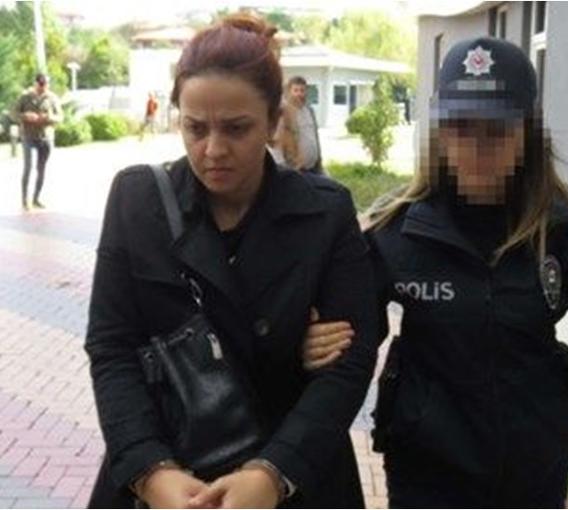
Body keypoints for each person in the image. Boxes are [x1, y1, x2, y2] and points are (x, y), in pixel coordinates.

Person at [302, 37, 568, 508]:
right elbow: (346, 350)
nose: (477, 148)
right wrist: (315, 344)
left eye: (496, 130)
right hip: (426, 481)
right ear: (440, 133)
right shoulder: (398, 230)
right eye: (460, 127)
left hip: (534, 481)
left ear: (528, 133)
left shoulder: (566, 233)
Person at [85, 14, 378, 509]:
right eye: (195, 128)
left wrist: (273, 474)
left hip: (292, 469)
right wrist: (150, 472)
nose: (213, 150)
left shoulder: (325, 212)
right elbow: (112, 347)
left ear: (273, 122)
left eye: (236, 128)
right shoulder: (137, 201)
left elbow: (350, 360)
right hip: (168, 465)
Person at [12, 73, 62, 210]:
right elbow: (13, 114)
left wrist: (49, 117)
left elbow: (60, 117)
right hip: (28, 137)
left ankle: (36, 199)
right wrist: (25, 116)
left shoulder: (52, 98)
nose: (42, 87)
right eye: (40, 85)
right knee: (28, 167)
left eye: (45, 85)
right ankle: (24, 201)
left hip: (45, 138)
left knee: (41, 169)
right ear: (35, 84)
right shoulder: (25, 97)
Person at [271, 76, 324, 174]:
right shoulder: (284, 113)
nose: (299, 94)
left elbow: (315, 138)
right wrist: (284, 168)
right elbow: (276, 144)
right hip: (295, 170)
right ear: (289, 92)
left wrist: (319, 163)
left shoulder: (310, 111)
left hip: (314, 168)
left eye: (302, 90)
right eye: (296, 90)